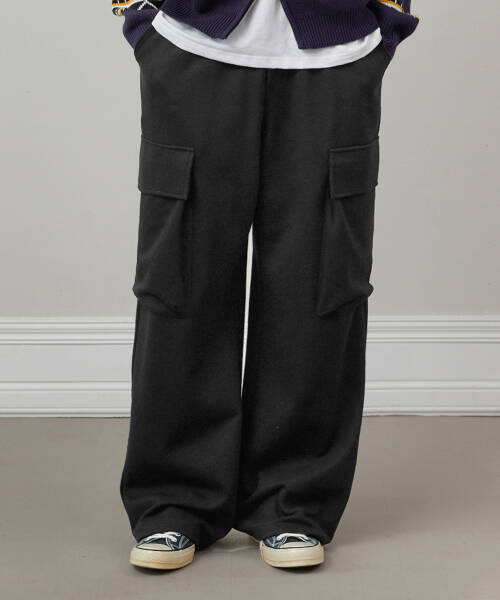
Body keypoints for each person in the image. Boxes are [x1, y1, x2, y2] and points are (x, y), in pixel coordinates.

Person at [114, 0, 418, 570]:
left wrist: (387, 22)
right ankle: (173, 501)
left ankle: (292, 502)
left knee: (322, 282)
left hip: (338, 54)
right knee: (181, 280)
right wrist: (140, 14)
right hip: (189, 44)